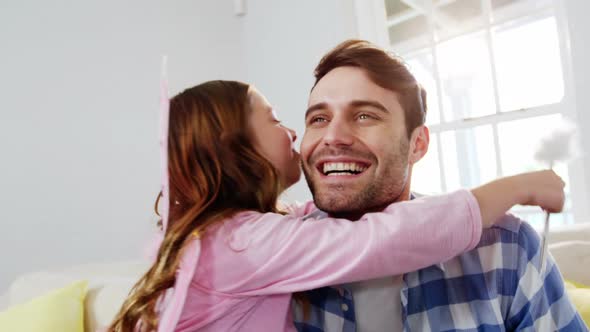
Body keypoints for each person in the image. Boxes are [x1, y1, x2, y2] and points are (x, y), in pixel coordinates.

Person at [107, 80, 564, 332]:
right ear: (235, 150)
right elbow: (385, 237)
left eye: (365, 115)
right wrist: (514, 188)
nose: (323, 137)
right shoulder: (242, 244)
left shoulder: (237, 236)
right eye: (309, 120)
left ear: (418, 143)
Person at [293, 39, 588, 331]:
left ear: (417, 144)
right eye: (319, 118)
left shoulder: (507, 250)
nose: (333, 136)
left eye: (364, 116)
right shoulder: (277, 258)